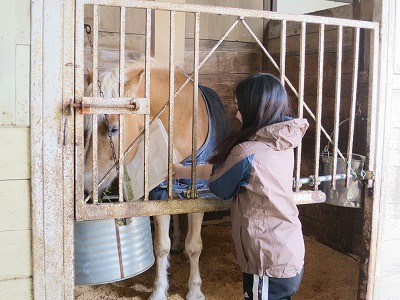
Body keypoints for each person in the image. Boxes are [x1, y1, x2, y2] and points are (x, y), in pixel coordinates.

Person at [208, 73, 309, 300]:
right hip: (289, 249)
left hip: (267, 260)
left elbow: (219, 188)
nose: (236, 113)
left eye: (240, 106)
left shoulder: (247, 152)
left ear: (255, 109)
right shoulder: (283, 143)